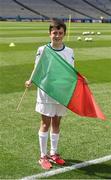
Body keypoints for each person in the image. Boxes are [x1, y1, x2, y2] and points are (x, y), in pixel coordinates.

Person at [25, 18, 74, 170]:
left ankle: (53, 153)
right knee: (45, 123)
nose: (57, 36)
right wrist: (30, 80)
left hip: (61, 93)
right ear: (49, 34)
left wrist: (80, 79)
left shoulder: (70, 51)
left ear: (64, 34)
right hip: (46, 92)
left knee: (57, 123)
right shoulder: (43, 49)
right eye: (54, 33)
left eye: (60, 33)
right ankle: (43, 155)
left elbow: (70, 72)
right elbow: (37, 68)